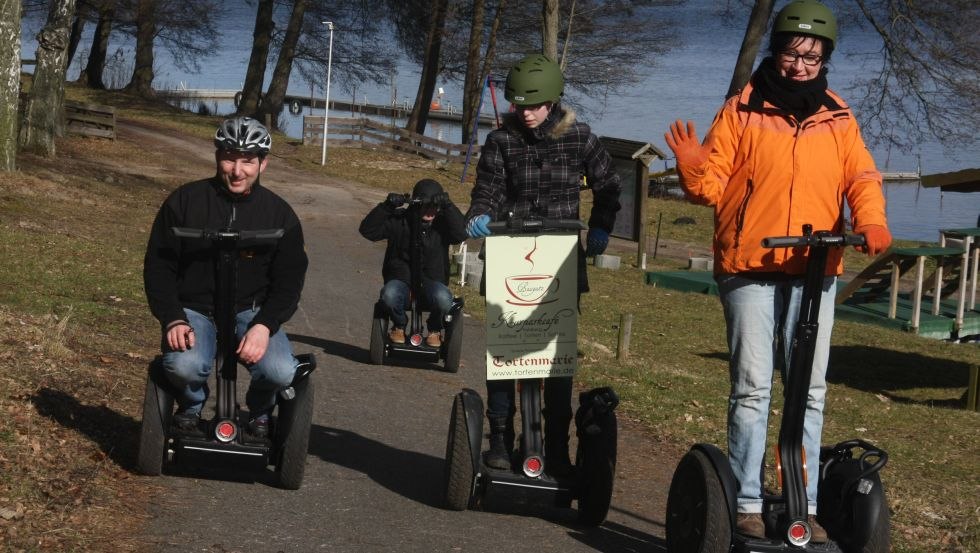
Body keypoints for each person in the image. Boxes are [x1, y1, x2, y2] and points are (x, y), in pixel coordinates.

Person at [663, 0, 891, 542]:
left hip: (815, 267)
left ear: (825, 58)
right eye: (792, 53)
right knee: (753, 387)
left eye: (812, 57)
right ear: (777, 52)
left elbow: (860, 174)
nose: (800, 66)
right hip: (750, 265)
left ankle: (802, 504)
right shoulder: (742, 109)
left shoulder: (837, 115)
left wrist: (872, 218)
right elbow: (713, 184)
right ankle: (744, 499)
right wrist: (693, 171)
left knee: (809, 390)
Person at [465, 53, 622, 476]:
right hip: (510, 256)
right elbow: (488, 188)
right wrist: (479, 214)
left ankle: (556, 447)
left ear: (552, 101)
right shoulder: (501, 141)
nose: (526, 113)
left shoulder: (580, 138)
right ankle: (500, 438)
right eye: (519, 106)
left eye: (534, 106)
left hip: (561, 259)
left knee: (556, 359)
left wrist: (601, 227)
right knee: (505, 353)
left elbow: (609, 185)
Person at [143, 116, 309, 439]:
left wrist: (265, 325)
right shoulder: (184, 202)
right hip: (195, 309)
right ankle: (190, 405)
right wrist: (173, 318)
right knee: (183, 366)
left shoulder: (281, 215)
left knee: (281, 371)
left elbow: (289, 282)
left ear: (263, 164)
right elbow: (158, 267)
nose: (237, 170)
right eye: (230, 158)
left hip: (252, 312)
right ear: (218, 156)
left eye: (247, 161)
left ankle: (261, 411)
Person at [358, 179, 467, 346]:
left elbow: (461, 234)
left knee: (445, 299)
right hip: (401, 279)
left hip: (432, 281)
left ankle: (435, 330)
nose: (431, 210)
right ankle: (399, 325)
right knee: (389, 295)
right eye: (426, 205)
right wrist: (386, 207)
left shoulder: (442, 224)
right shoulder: (400, 220)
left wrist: (448, 206)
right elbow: (367, 230)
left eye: (434, 206)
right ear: (416, 203)